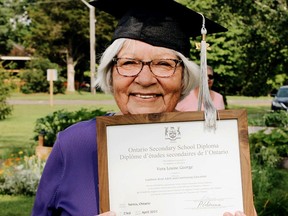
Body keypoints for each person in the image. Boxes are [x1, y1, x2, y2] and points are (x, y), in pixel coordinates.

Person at [32, 0, 256, 215]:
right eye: (129, 63)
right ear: (110, 74)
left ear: (184, 77)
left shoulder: (216, 147)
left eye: (164, 64)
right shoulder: (75, 145)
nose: (145, 79)